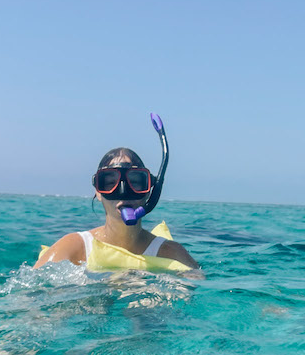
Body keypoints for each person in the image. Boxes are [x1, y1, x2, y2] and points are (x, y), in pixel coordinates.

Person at [34, 115, 200, 272]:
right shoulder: (75, 246)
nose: (123, 192)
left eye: (135, 182)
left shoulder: (171, 254)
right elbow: (27, 295)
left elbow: (194, 289)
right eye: (109, 183)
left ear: (150, 191)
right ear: (98, 192)